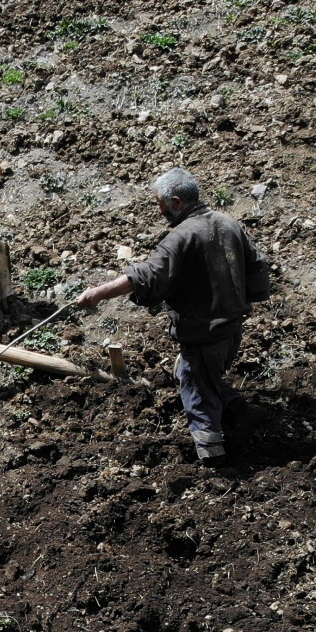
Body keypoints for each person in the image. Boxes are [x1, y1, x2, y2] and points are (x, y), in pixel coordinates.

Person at [77, 168, 271, 466]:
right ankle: (237, 408)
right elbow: (257, 265)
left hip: (203, 333)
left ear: (178, 202)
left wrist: (98, 293)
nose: (160, 210)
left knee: (197, 391)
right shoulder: (228, 223)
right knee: (206, 373)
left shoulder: (182, 236)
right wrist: (248, 302)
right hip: (232, 328)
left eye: (162, 204)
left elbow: (147, 275)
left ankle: (213, 456)